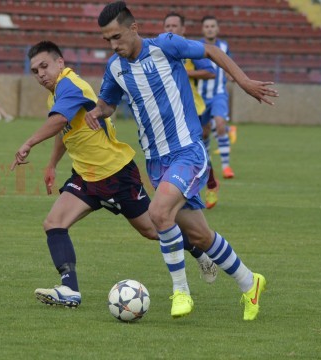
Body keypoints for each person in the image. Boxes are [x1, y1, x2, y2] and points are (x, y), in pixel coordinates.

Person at [86, 1, 277, 320]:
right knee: (200, 236)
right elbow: (107, 103)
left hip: (188, 150)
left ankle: (181, 292)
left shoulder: (166, 45)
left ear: (134, 28)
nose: (114, 45)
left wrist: (242, 82)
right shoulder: (115, 68)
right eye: (107, 40)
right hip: (157, 163)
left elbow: (211, 52)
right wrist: (96, 112)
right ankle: (250, 282)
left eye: (117, 37)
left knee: (159, 213)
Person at [10, 40, 217, 308]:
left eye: (44, 66)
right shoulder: (57, 94)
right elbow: (66, 129)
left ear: (60, 62)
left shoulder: (69, 84)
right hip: (86, 177)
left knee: (154, 230)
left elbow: (60, 120)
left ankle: (201, 252)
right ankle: (69, 289)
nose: (40, 74)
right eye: (35, 70)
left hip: (116, 174)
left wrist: (28, 143)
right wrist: (51, 164)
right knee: (53, 223)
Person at [163, 12, 220, 209]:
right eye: (167, 26)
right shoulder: (159, 50)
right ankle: (182, 191)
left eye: (174, 26)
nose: (170, 29)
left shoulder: (188, 49)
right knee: (175, 152)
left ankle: (209, 185)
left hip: (194, 109)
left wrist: (186, 72)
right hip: (170, 111)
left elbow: (210, 72)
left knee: (197, 152)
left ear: (183, 29)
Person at [199, 15, 236, 179]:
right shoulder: (197, 46)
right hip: (200, 96)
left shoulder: (223, 45)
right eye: (207, 26)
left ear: (217, 29)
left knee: (220, 123)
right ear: (203, 29)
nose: (210, 29)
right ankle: (207, 165)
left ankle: (226, 167)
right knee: (204, 133)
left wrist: (230, 74)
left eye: (212, 26)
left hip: (219, 93)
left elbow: (227, 63)